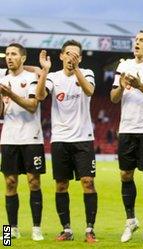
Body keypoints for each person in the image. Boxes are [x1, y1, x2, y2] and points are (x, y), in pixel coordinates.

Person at [35, 40, 98, 243]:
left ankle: (90, 229)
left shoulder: (87, 72)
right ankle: (67, 230)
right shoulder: (54, 77)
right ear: (61, 56)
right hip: (60, 139)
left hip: (83, 139)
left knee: (88, 183)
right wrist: (44, 71)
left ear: (79, 58)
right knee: (61, 185)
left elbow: (89, 91)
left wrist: (77, 67)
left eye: (76, 55)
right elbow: (39, 95)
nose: (71, 57)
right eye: (68, 54)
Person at [109, 30, 143, 244]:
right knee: (125, 175)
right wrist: (121, 86)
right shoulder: (123, 66)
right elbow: (113, 98)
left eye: (142, 40)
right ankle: (131, 220)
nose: (137, 43)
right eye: (136, 40)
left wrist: (140, 85)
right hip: (127, 128)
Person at [0, 43, 46, 241]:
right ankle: (10, 231)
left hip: (31, 137)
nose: (9, 57)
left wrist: (10, 94)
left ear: (23, 58)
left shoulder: (31, 78)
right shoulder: (2, 79)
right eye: (7, 54)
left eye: (14, 54)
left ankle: (36, 228)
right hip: (9, 137)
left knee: (33, 182)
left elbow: (33, 106)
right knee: (10, 184)